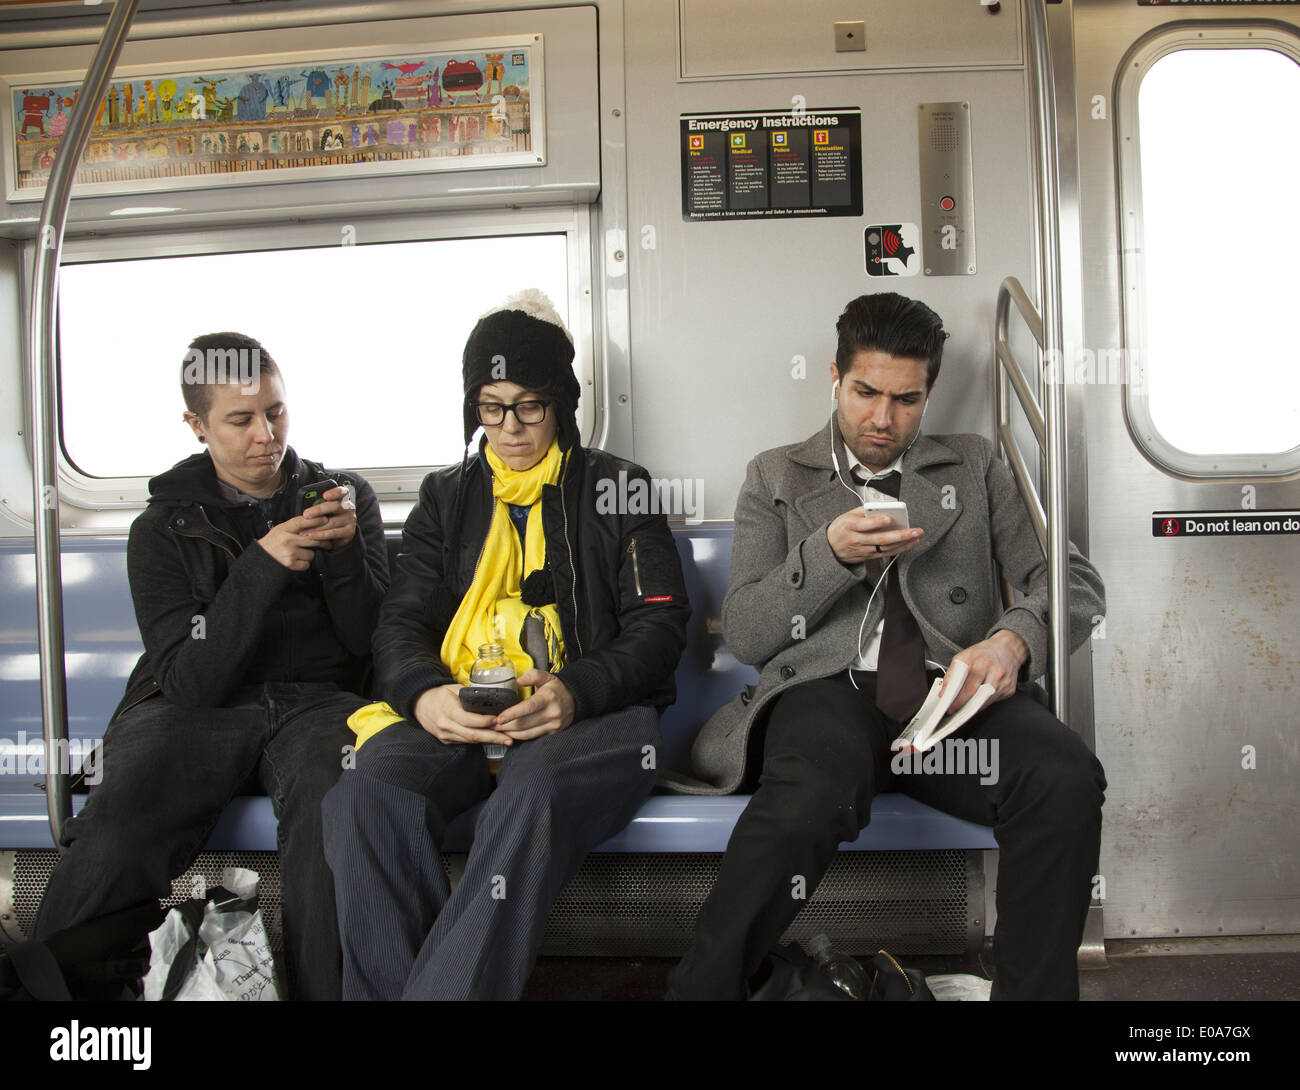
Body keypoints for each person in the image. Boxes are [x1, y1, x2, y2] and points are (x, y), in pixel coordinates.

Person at [666, 292, 1107, 1001]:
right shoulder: (776, 475)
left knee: (1063, 779)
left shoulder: (973, 465)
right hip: (825, 691)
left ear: (929, 392)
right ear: (834, 377)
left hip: (949, 703)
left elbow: (1072, 582)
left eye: (907, 399)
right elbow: (747, 632)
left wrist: (1011, 642)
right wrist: (826, 555)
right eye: (866, 392)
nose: (883, 418)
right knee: (812, 789)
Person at [322, 289, 690, 1000]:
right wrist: (424, 695)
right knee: (366, 795)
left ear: (562, 404)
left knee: (534, 790)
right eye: (491, 407)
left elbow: (660, 624)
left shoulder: (620, 488)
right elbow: (399, 624)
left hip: (591, 718)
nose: (511, 427)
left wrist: (574, 690)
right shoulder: (443, 498)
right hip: (462, 712)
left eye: (531, 405)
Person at [34, 332, 389, 1001]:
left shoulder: (345, 498)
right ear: (197, 426)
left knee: (339, 812)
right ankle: (55, 1000)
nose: (266, 435)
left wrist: (344, 561)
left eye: (276, 412)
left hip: (318, 702)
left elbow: (369, 643)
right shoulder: (161, 530)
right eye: (240, 419)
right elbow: (192, 679)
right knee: (119, 824)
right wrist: (261, 564)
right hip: (195, 706)